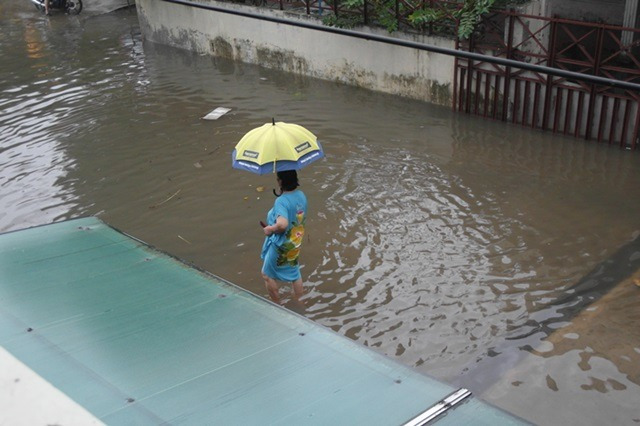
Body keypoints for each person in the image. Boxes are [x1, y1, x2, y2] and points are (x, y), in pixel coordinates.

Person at [261, 170, 307, 304]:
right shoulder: (301, 195)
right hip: (295, 241)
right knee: (295, 273)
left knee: (267, 274)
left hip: (280, 245)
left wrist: (270, 229)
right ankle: (300, 302)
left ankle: (277, 305)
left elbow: (282, 224)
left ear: (280, 181)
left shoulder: (281, 201)